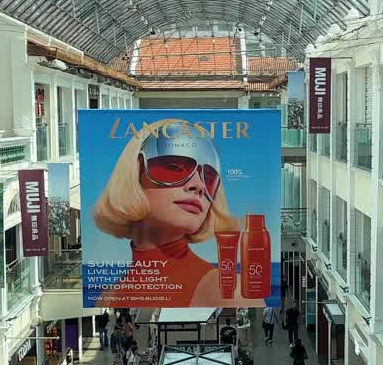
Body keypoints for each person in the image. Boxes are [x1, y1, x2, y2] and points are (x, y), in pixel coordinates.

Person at [90, 117, 264, 307]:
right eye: (174, 168)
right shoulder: (107, 297)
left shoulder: (233, 291)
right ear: (136, 171)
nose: (198, 186)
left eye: (209, 178)